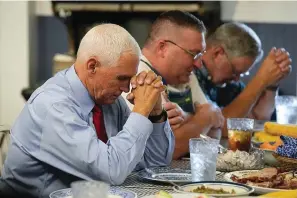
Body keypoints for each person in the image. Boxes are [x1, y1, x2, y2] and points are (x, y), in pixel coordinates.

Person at [0, 24, 175, 198]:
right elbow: (110, 172)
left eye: (131, 78)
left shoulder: (109, 100)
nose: (127, 88)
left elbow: (156, 166)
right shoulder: (53, 105)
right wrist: (141, 110)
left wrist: (155, 113)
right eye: (122, 78)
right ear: (92, 66)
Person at [122, 10, 225, 160]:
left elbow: (216, 130)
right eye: (193, 54)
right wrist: (203, 119)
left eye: (201, 54)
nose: (198, 64)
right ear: (162, 48)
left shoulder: (186, 75)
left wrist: (188, 119)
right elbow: (169, 150)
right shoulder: (139, 78)